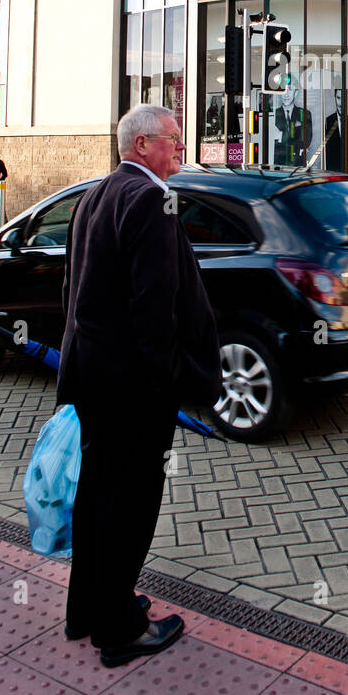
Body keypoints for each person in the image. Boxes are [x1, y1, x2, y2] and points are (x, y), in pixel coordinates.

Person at [57, 104, 222, 666]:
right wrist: (164, 384)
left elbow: (75, 293)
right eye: (174, 139)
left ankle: (87, 608)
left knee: (97, 496)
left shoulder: (96, 195)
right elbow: (154, 309)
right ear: (143, 143)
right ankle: (120, 628)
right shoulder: (151, 200)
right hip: (132, 391)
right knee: (129, 504)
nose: (181, 147)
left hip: (94, 380)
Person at [324, 87, 348, 172]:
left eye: (343, 99)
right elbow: (326, 149)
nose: (341, 103)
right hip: (332, 169)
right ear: (334, 98)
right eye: (338, 98)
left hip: (347, 169)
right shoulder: (328, 120)